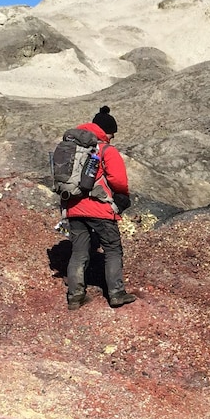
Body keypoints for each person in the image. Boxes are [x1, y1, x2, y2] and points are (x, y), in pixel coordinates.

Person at [64, 106, 136, 310]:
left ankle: (75, 296)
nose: (112, 137)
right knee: (112, 249)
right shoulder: (106, 150)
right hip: (100, 208)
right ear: (106, 131)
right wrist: (122, 197)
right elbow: (119, 181)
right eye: (112, 133)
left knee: (78, 252)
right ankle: (116, 294)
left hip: (73, 207)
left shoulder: (72, 147)